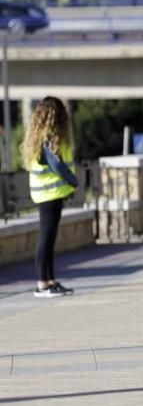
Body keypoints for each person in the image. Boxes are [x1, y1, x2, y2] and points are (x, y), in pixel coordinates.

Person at [21, 96, 79, 298]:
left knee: (50, 238)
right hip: (49, 194)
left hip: (51, 193)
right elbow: (56, 165)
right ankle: (42, 284)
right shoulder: (47, 138)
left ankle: (50, 281)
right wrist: (73, 181)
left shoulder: (45, 136)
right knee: (46, 238)